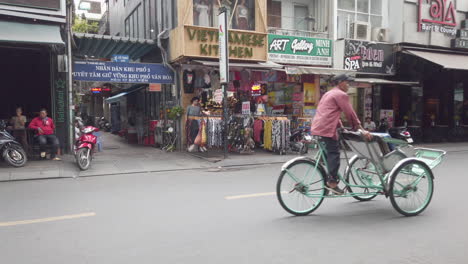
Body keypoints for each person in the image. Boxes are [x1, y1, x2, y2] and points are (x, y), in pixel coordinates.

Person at [311, 74, 372, 195]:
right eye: (347, 82)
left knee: (328, 154)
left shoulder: (329, 93)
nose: (349, 85)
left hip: (318, 127)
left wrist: (341, 127)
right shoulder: (341, 95)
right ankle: (332, 183)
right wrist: (360, 129)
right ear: (340, 83)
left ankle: (328, 176)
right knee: (334, 154)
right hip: (326, 129)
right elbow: (350, 113)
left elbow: (330, 113)